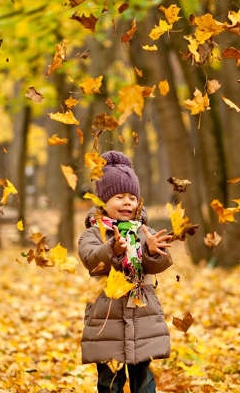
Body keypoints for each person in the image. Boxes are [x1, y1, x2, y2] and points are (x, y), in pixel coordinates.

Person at [78, 150, 173, 393]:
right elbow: (91, 260)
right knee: (110, 384)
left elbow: (159, 264)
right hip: (106, 320)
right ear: (103, 201)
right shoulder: (93, 233)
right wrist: (112, 248)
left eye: (132, 197)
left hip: (142, 319)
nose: (127, 202)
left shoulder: (144, 232)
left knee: (144, 383)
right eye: (119, 196)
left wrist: (152, 251)